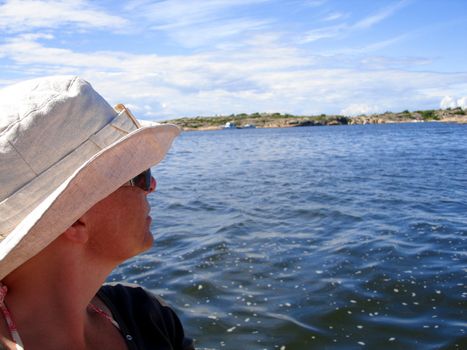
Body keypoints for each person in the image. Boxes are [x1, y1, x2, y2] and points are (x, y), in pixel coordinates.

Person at [0, 76, 194, 349]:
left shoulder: (147, 313)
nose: (151, 186)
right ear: (73, 218)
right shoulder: (145, 319)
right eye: (138, 175)